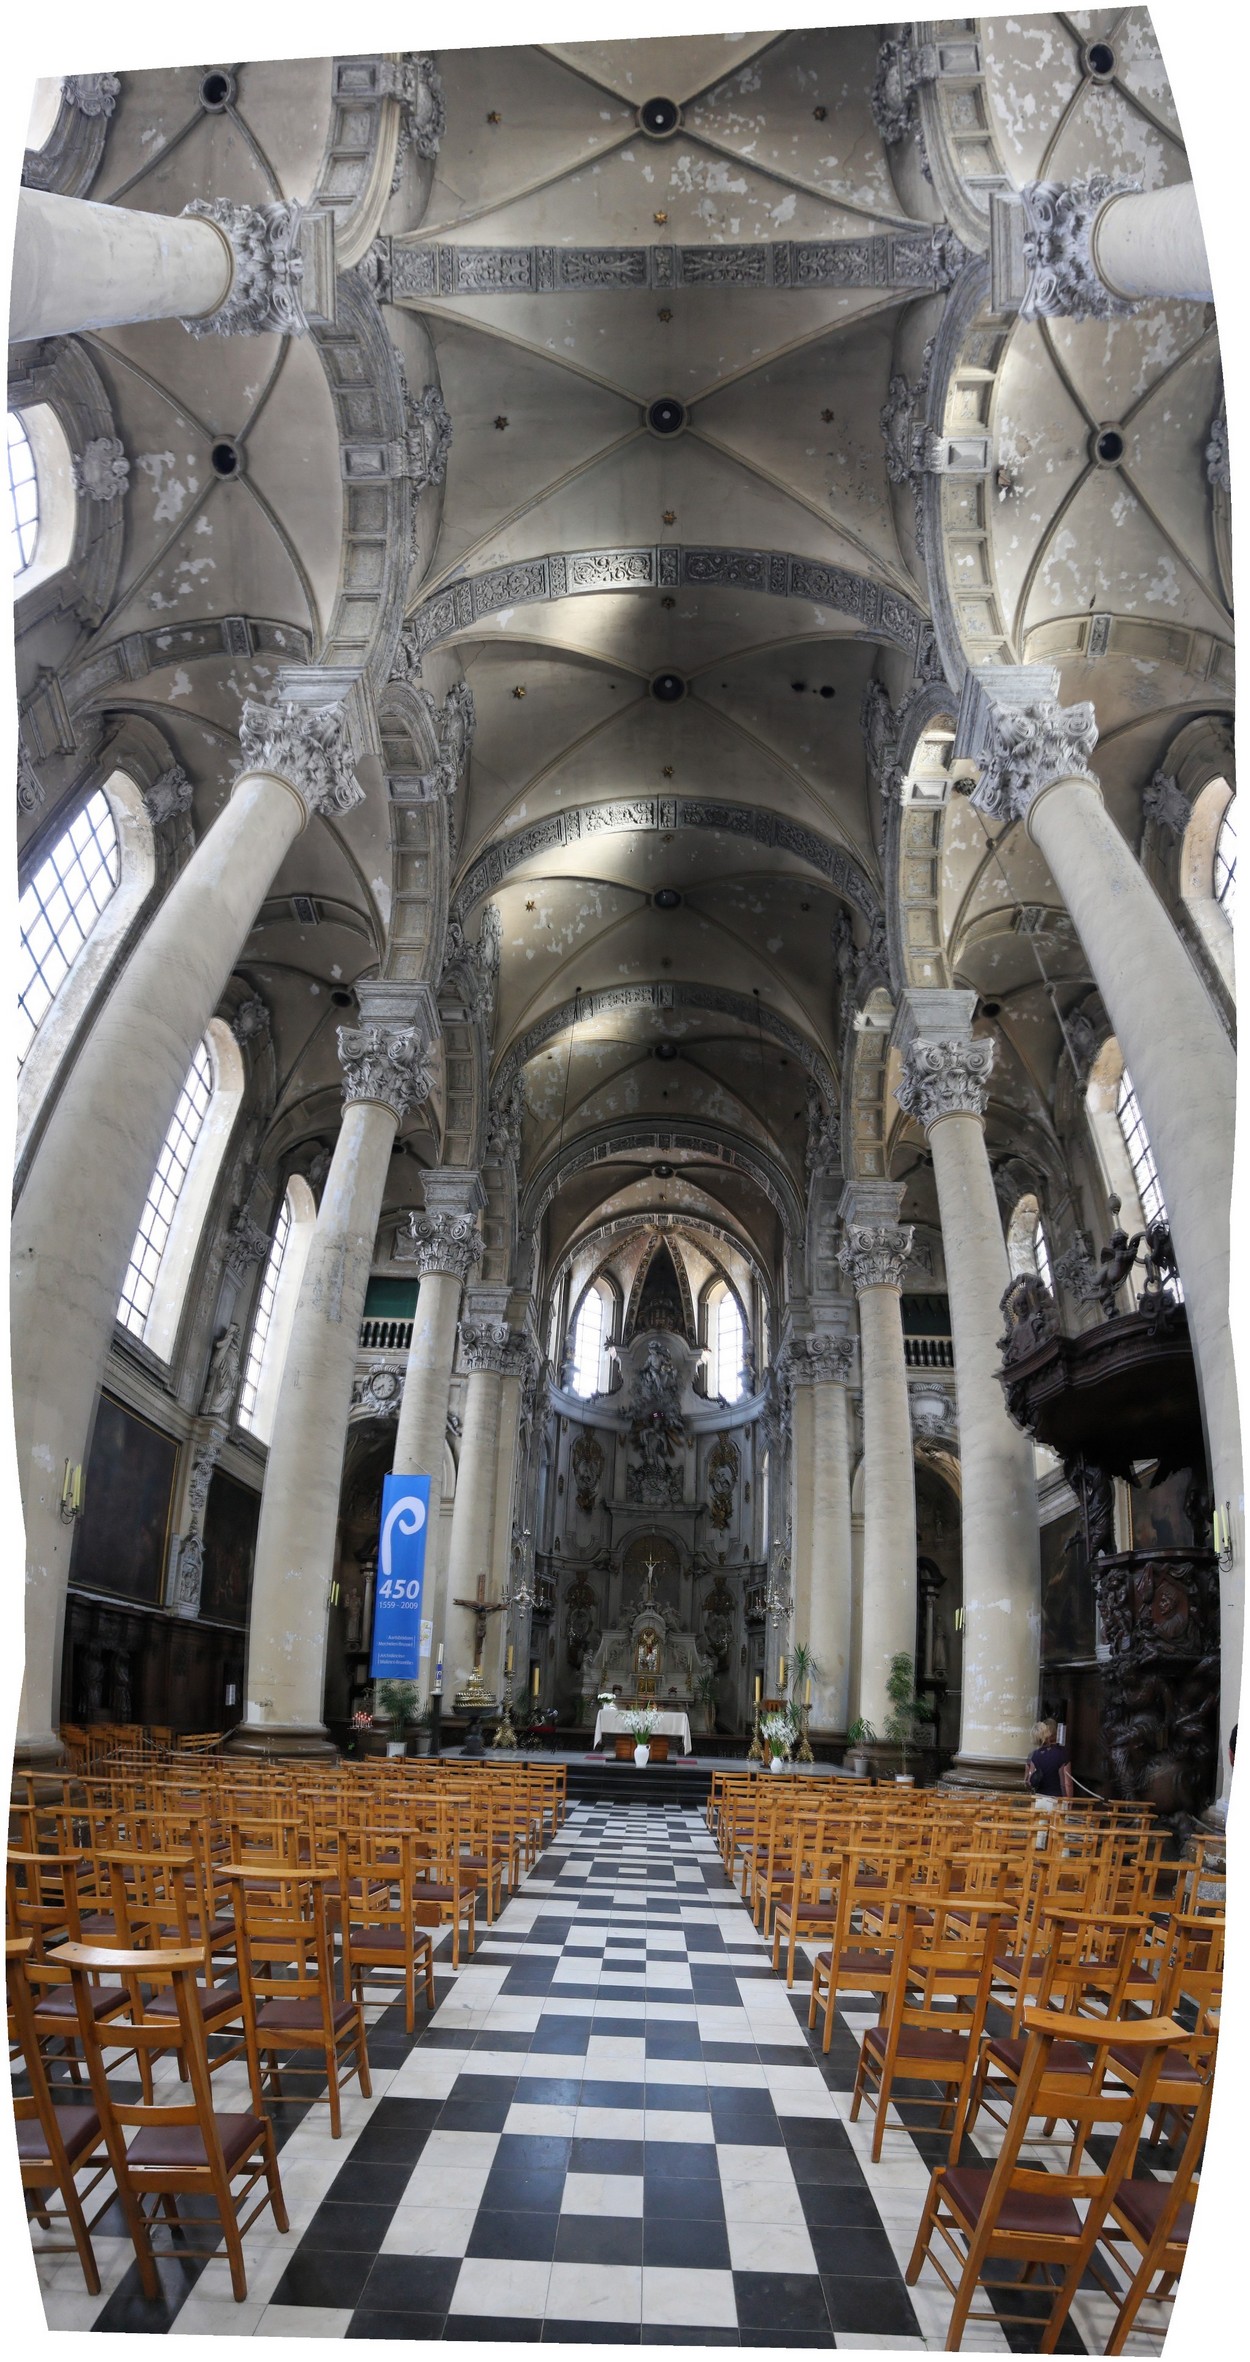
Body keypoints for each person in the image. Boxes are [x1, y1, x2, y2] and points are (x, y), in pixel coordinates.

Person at [1024, 1717, 1073, 1801]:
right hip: (1056, 1798)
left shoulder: (1034, 1755)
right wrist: (1068, 1800)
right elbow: (1066, 1783)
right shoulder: (1060, 1754)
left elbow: (1029, 1781)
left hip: (1039, 1798)